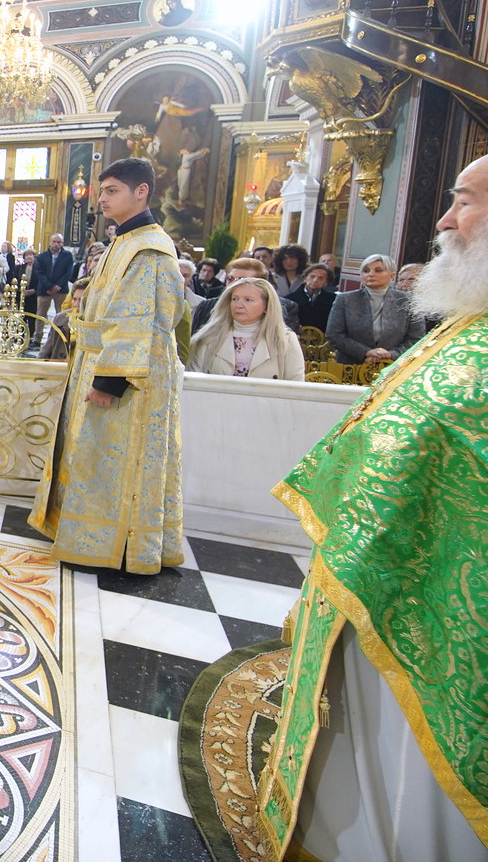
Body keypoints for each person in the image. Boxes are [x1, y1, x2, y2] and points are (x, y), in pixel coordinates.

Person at [259, 154, 488, 861]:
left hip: (443, 611)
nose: (445, 220)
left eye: (465, 201)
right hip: (385, 572)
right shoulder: (466, 324)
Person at [29, 157, 184, 574]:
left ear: (141, 191)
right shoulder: (124, 240)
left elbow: (139, 320)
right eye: (101, 191)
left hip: (126, 376)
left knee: (117, 458)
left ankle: (116, 546)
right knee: (93, 455)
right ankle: (87, 536)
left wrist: (109, 382)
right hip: (98, 361)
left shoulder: (149, 249)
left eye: (111, 190)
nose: (101, 199)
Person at [187, 278, 306, 380]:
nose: (239, 305)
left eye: (248, 300)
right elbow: (194, 379)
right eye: (234, 299)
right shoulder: (209, 336)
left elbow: (295, 382)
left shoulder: (285, 339)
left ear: (266, 306)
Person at [325, 254, 427, 365]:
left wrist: (390, 355)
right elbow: (334, 334)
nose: (371, 274)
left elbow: (416, 338)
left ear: (392, 276)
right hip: (350, 365)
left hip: (393, 366)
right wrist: (366, 352)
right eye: (366, 271)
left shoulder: (409, 301)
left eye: (378, 270)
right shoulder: (345, 299)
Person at [193, 257, 301, 334]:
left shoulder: (285, 307)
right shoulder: (206, 306)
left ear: (261, 284)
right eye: (230, 279)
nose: (233, 284)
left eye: (242, 280)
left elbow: (283, 345)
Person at [32, 233, 74, 336]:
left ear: (62, 243)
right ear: (50, 242)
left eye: (59, 242)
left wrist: (58, 286)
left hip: (61, 290)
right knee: (41, 315)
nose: (56, 244)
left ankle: (59, 337)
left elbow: (68, 272)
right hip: (44, 290)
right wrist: (50, 286)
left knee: (61, 314)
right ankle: (37, 337)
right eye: (54, 242)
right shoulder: (42, 256)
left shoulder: (67, 256)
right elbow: (39, 272)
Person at [286, 263, 336, 333]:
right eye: (312, 276)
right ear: (305, 278)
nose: (315, 280)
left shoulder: (333, 300)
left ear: (326, 282)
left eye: (320, 278)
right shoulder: (289, 299)